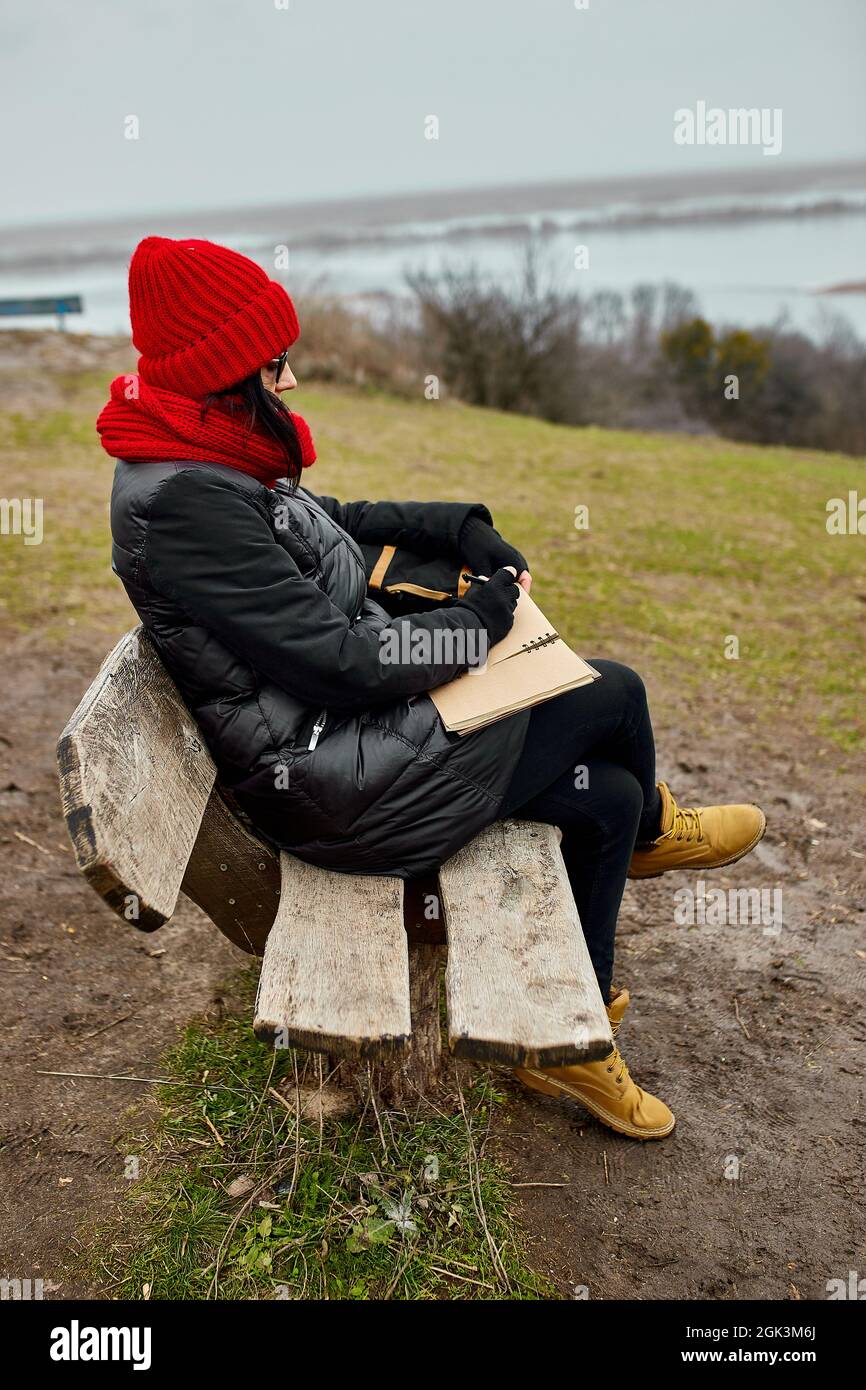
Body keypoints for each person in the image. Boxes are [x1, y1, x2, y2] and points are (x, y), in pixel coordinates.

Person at [98, 236, 766, 1141]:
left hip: (349, 740)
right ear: (220, 373)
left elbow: (337, 526)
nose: (287, 384)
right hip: (333, 786)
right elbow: (342, 660)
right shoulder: (185, 499)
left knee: (599, 797)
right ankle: (655, 831)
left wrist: (463, 533)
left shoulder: (205, 460)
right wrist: (487, 617)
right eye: (272, 364)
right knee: (613, 693)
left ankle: (575, 1036)